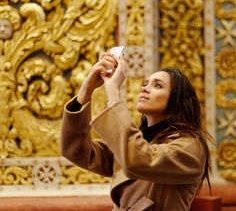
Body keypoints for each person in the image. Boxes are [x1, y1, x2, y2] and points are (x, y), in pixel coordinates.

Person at [61, 52, 212, 211]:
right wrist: (87, 89)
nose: (145, 88)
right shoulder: (133, 143)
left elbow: (138, 160)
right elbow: (76, 150)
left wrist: (113, 93)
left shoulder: (191, 147)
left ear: (177, 100)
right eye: (146, 83)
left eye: (157, 85)